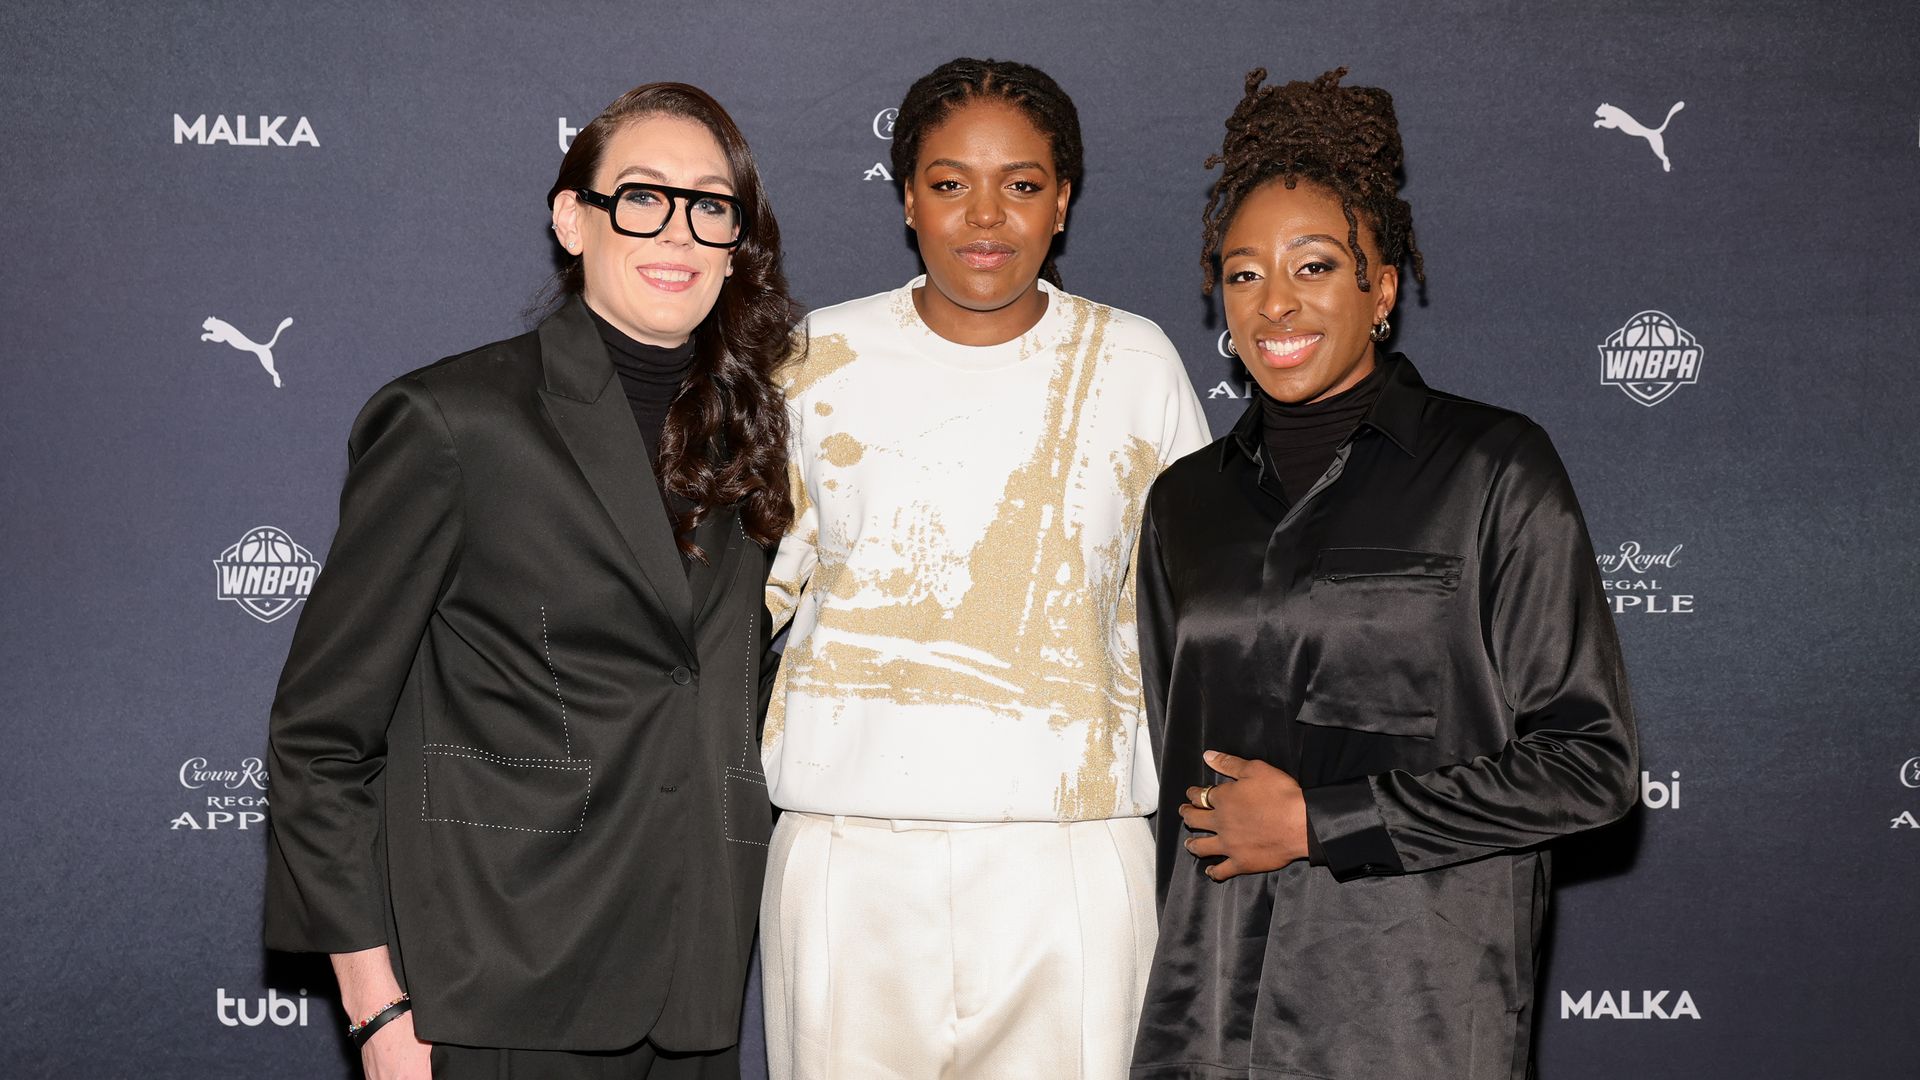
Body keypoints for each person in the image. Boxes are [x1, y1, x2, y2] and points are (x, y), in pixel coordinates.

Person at [263, 82, 797, 1080]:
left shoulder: (754, 439)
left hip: (695, 989)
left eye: (710, 206)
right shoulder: (454, 421)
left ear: (736, 244)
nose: (677, 231)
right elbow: (321, 738)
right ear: (572, 219)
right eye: (643, 197)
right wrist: (376, 1008)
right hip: (498, 985)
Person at [1130, 68, 1639, 1080]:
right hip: (1213, 1016)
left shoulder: (1493, 468)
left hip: (1415, 1016)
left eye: (1315, 266)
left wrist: (1321, 822)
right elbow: (1169, 767)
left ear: (1384, 290)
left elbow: (1591, 767)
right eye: (1243, 274)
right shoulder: (1184, 502)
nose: (1275, 301)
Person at [758, 57, 1210, 1080]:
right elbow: (742, 602)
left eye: (1023, 183)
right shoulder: (817, 358)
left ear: (1063, 202)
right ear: (908, 199)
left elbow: (1198, 621)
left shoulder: (1135, 364)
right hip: (847, 854)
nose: (986, 215)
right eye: (951, 181)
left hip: (1072, 856)